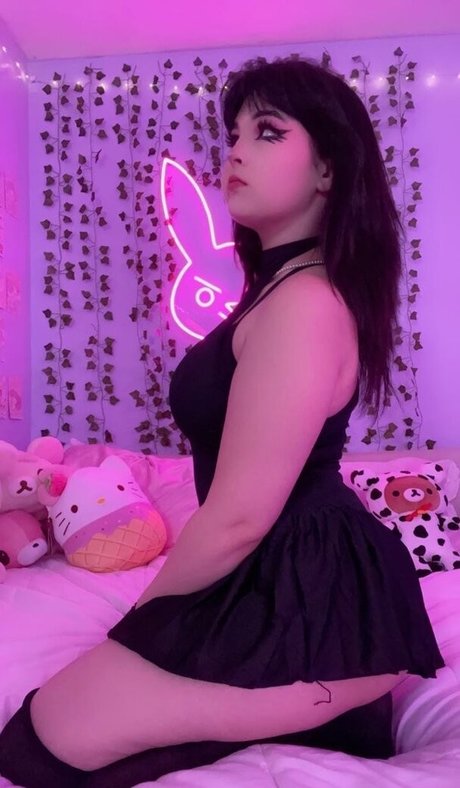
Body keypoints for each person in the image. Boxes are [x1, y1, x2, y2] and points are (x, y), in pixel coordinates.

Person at [0, 55, 444, 788]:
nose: (234, 151)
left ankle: (322, 699)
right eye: (233, 133)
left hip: (303, 578)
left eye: (267, 132)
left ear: (327, 170)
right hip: (265, 569)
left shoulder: (304, 305)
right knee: (38, 739)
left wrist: (143, 616)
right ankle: (320, 708)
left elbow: (238, 518)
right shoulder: (279, 294)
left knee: (35, 748)